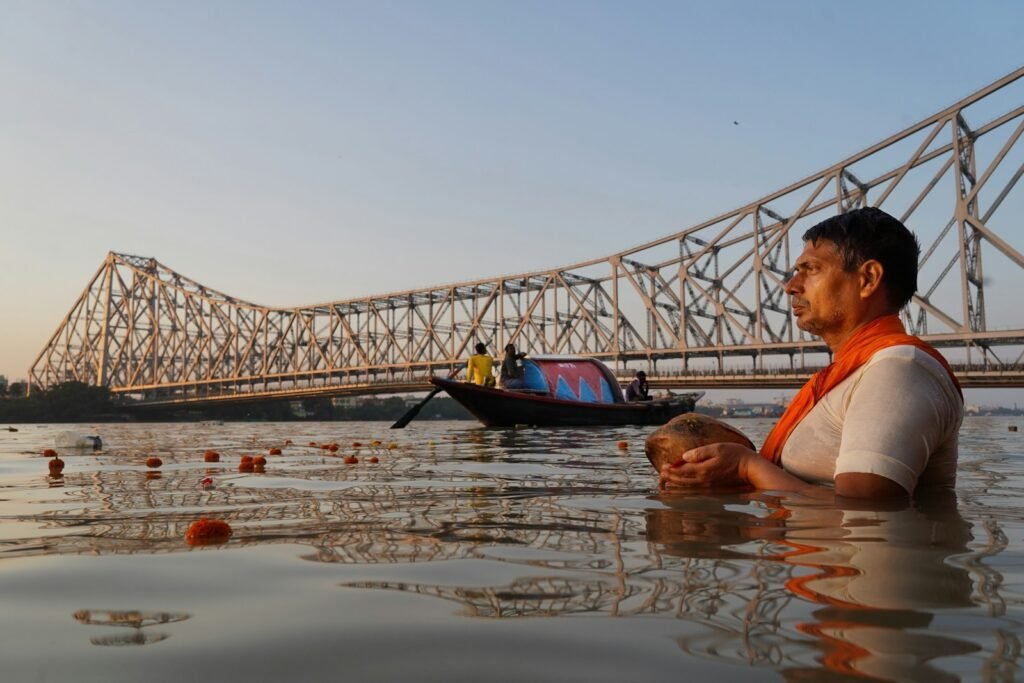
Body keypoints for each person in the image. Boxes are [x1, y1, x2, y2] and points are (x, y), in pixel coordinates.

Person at [660, 207, 963, 499]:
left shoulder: (898, 370)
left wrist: (746, 466)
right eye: (796, 272)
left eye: (811, 269)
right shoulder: (854, 374)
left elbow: (868, 519)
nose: (791, 286)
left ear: (868, 279)